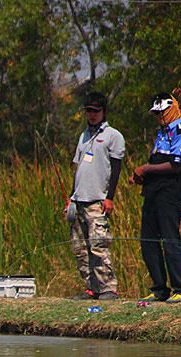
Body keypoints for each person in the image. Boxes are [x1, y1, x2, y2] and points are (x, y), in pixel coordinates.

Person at [129, 91, 181, 303]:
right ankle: (159, 288)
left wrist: (145, 168)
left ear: (174, 108)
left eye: (164, 112)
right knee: (148, 240)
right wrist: (143, 177)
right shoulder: (161, 133)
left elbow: (175, 165)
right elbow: (157, 164)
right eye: (157, 114)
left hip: (171, 194)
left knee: (170, 239)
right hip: (153, 193)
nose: (161, 117)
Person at [67, 91, 125, 300]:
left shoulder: (113, 136)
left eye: (95, 111)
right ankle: (92, 288)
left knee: (98, 246)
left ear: (104, 111)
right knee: (80, 249)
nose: (91, 115)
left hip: (98, 200)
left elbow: (116, 168)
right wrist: (72, 197)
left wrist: (110, 197)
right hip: (78, 200)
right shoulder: (84, 135)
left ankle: (108, 288)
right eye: (88, 111)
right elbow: (79, 167)